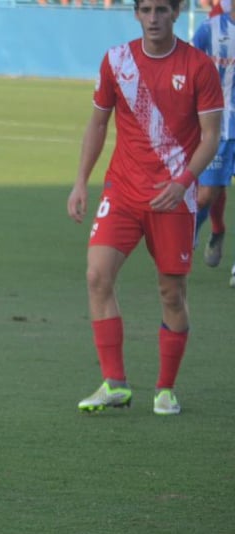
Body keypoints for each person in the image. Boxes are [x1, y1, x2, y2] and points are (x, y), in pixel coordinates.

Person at [67, 0, 222, 416]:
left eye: (161, 10)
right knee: (97, 276)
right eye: (146, 10)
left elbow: (211, 136)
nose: (153, 19)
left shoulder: (198, 66)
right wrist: (82, 181)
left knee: (171, 293)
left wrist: (183, 183)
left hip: (173, 196)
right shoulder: (116, 61)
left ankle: (165, 388)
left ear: (177, 13)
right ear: (136, 14)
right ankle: (114, 383)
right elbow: (98, 122)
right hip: (122, 191)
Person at [191, 0, 234, 274]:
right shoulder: (210, 29)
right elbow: (187, 67)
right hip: (217, 126)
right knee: (206, 194)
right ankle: (189, 240)